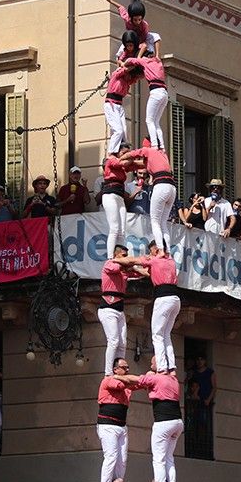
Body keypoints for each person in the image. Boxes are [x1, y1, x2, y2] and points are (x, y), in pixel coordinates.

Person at [136, 356, 183, 482]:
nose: (151, 365)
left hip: (164, 422)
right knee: (169, 457)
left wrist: (117, 378)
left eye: (152, 362)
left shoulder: (157, 378)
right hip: (178, 422)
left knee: (158, 458)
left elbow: (136, 380)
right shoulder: (174, 379)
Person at [96, 359, 142, 482]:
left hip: (121, 426)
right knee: (111, 456)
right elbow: (121, 385)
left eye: (128, 368)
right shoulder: (108, 380)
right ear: (115, 369)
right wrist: (131, 380)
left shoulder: (126, 383)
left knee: (122, 460)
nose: (127, 370)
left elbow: (139, 383)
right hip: (108, 425)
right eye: (124, 367)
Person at [98, 244, 147, 375]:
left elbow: (140, 274)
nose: (126, 258)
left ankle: (120, 370)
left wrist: (147, 266)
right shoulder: (109, 263)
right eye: (124, 256)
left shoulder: (123, 270)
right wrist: (130, 263)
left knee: (122, 343)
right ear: (116, 255)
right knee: (113, 340)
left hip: (119, 310)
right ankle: (108, 373)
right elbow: (119, 267)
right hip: (107, 308)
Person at [123, 145, 176, 252]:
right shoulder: (162, 156)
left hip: (161, 186)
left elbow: (132, 155)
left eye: (144, 174)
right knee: (163, 224)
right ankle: (168, 251)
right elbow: (135, 164)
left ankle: (161, 250)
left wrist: (117, 159)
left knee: (155, 222)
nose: (142, 176)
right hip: (172, 187)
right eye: (140, 174)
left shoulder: (148, 151)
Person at [136, 243, 179, 372]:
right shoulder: (170, 260)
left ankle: (161, 367)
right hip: (175, 299)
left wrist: (118, 261)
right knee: (166, 334)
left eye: (151, 251)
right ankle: (171, 366)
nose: (150, 253)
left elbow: (134, 261)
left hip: (163, 298)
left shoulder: (155, 260)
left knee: (157, 335)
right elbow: (147, 273)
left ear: (156, 249)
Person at [125, 54, 168, 150]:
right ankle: (162, 146)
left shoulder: (145, 61)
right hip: (164, 93)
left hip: (155, 92)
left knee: (149, 120)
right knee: (156, 122)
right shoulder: (159, 62)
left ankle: (154, 145)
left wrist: (123, 63)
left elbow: (130, 60)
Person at [100, 148, 137, 258]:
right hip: (110, 195)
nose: (126, 154)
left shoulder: (122, 165)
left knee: (122, 230)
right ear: (118, 151)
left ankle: (119, 256)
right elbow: (124, 162)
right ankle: (110, 257)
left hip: (119, 197)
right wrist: (133, 155)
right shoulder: (111, 159)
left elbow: (134, 165)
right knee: (114, 228)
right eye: (124, 152)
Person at [104, 54, 141, 156]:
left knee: (124, 132)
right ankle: (111, 153)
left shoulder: (127, 81)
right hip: (111, 104)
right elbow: (123, 69)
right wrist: (135, 62)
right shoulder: (117, 75)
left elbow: (138, 77)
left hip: (119, 106)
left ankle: (122, 150)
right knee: (118, 131)